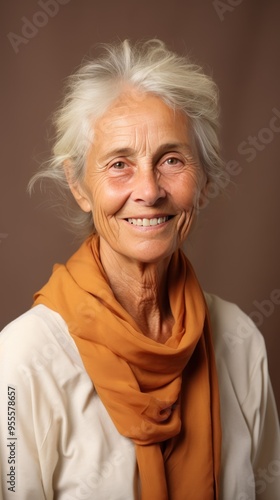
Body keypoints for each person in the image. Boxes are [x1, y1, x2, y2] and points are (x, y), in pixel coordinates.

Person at [0, 39, 279, 500]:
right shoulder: (20, 360)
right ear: (79, 185)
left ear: (203, 181)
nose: (149, 190)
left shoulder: (239, 340)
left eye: (172, 160)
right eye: (119, 164)